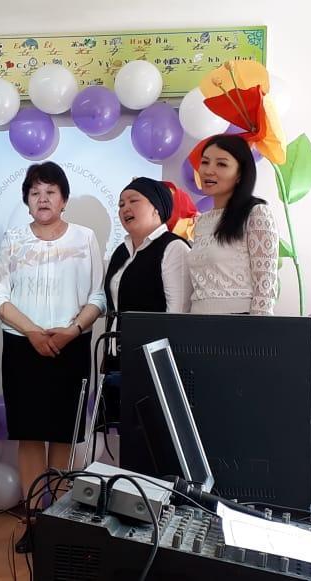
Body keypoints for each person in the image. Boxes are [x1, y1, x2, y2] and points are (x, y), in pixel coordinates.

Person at [0, 161, 106, 553]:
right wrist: (32, 331)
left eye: (51, 191)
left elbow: (98, 296)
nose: (43, 199)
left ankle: (61, 524)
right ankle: (34, 522)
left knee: (63, 435)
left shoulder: (86, 238)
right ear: (26, 200)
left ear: (64, 199)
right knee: (31, 434)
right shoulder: (14, 238)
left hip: (71, 344)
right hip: (23, 345)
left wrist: (72, 330)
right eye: (35, 192)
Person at [99, 177, 192, 431]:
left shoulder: (173, 248)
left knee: (151, 434)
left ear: (156, 208)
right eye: (121, 204)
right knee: (123, 434)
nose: (125, 208)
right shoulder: (121, 251)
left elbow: (177, 315)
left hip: (153, 360)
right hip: (118, 357)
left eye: (133, 201)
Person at [187, 134, 279, 315]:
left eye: (221, 164)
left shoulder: (256, 213)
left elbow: (265, 287)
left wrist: (258, 329)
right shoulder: (202, 221)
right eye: (205, 162)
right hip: (197, 321)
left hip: (238, 322)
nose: (208, 170)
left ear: (240, 174)